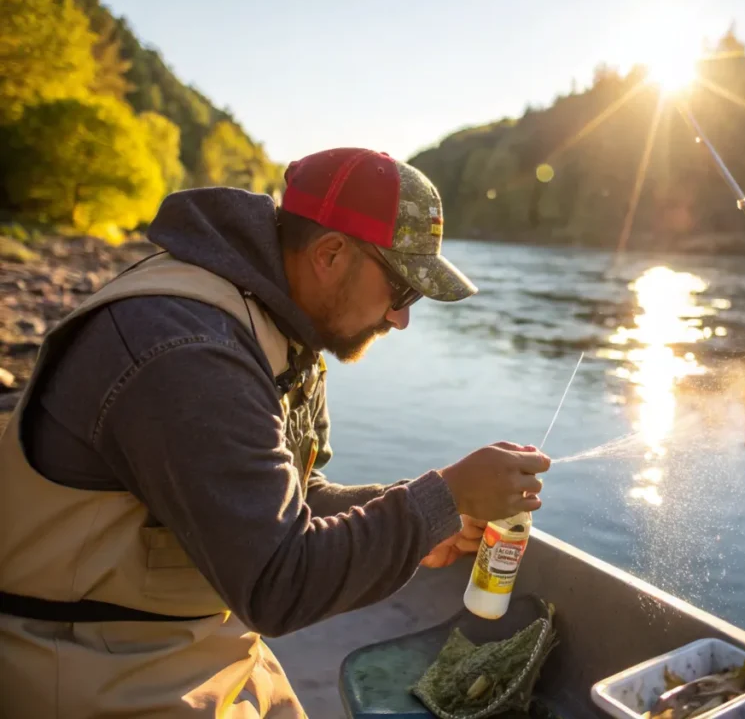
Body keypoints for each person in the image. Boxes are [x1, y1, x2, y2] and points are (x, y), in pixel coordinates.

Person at [0, 147, 550, 718]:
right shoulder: (188, 350)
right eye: (401, 290)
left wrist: (425, 517)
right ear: (331, 254)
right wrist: (445, 496)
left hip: (197, 647)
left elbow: (291, 498)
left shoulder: (279, 324)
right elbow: (278, 583)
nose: (400, 318)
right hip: (86, 665)